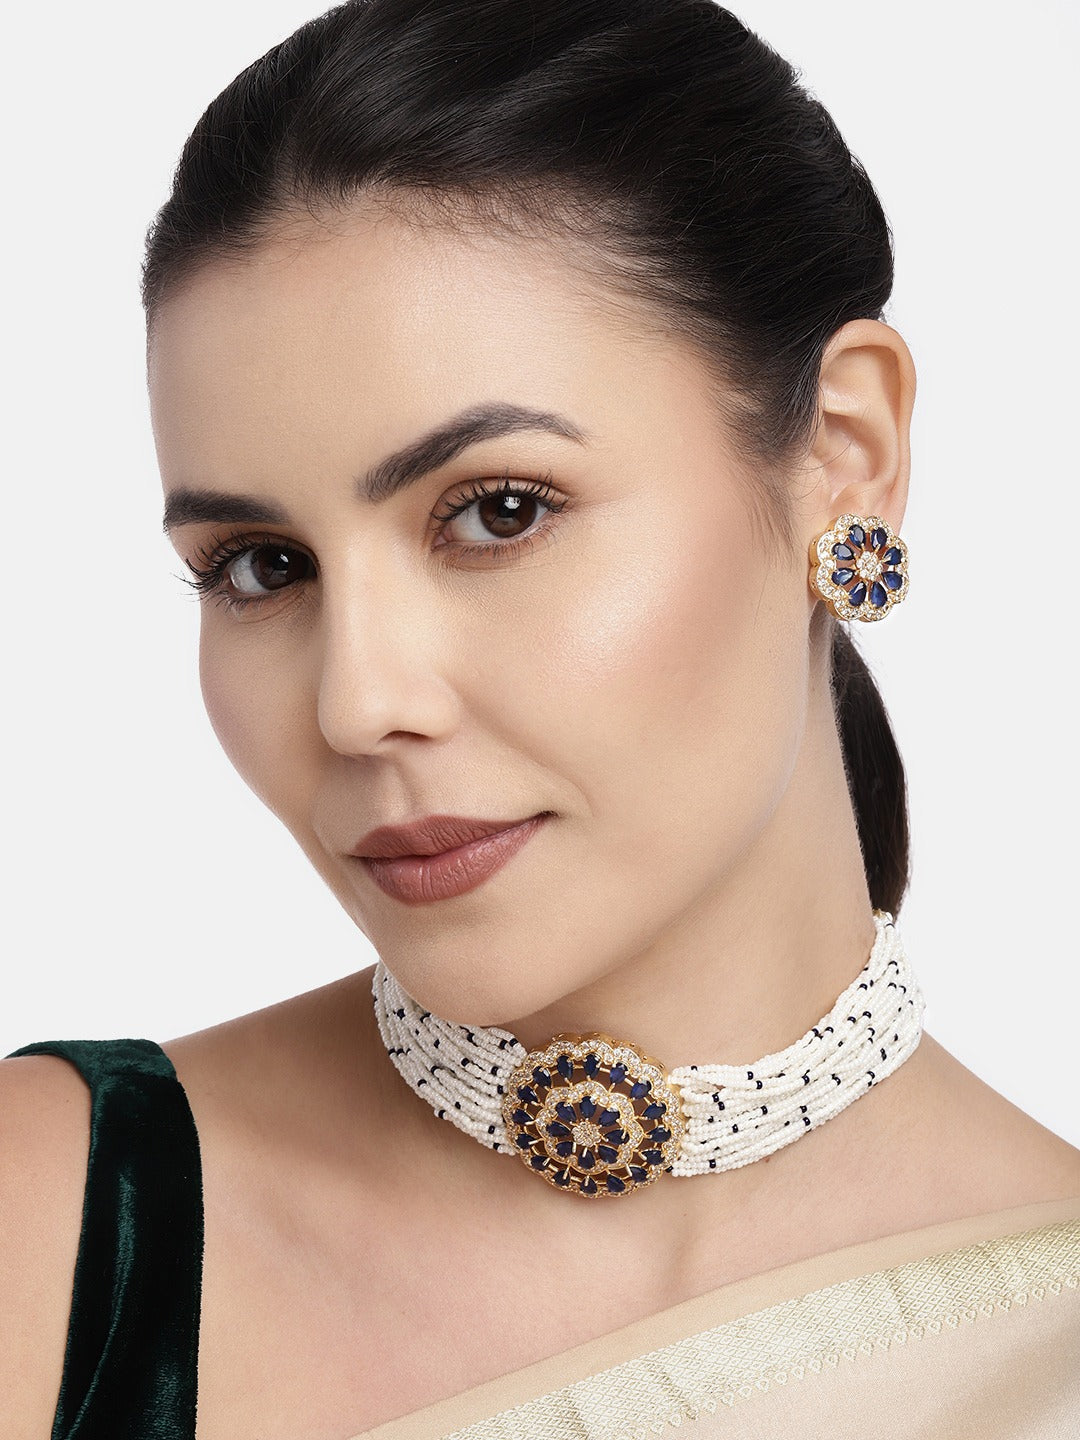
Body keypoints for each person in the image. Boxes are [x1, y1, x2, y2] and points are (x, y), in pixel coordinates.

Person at [2, 1, 1078, 1437]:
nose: (359, 703)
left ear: (845, 455)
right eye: (260, 567)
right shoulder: (64, 1225)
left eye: (499, 511)